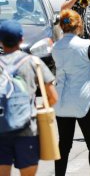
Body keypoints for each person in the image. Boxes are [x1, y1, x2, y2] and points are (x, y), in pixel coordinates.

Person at [52, 9, 90, 176]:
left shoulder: (55, 47)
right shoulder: (86, 45)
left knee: (64, 144)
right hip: (84, 98)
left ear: (62, 26)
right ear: (79, 26)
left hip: (62, 99)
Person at [0, 20, 58, 176]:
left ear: (1, 41)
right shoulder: (33, 62)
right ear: (21, 40)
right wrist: (35, 109)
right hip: (27, 129)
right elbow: (53, 97)